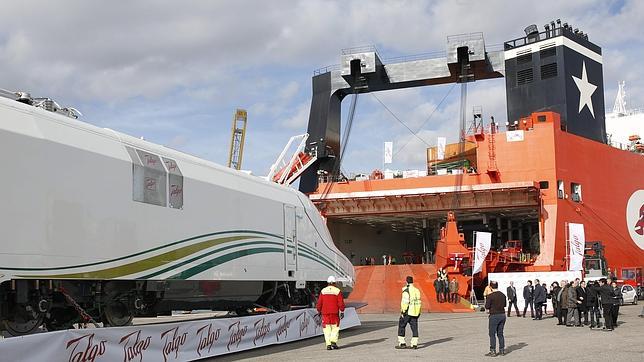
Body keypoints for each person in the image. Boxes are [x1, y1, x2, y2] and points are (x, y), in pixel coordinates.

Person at [316, 276, 346, 350]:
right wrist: (342, 311)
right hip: (334, 313)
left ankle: (328, 344)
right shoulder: (337, 291)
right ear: (335, 283)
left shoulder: (323, 291)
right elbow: (341, 303)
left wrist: (319, 310)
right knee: (335, 328)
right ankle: (333, 342)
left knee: (326, 329)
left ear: (328, 282)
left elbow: (319, 302)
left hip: (325, 313)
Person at [396, 276, 422, 349]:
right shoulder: (417, 290)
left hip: (407, 312)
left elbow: (405, 303)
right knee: (414, 328)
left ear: (406, 282)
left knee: (401, 326)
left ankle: (402, 343)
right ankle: (414, 344)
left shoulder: (406, 291)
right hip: (415, 312)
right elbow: (419, 302)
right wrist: (419, 312)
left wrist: (403, 312)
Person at [484, 281, 507, 357]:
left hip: (494, 316)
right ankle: (502, 350)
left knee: (492, 334)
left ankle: (493, 351)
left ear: (490, 287)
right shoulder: (503, 295)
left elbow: (487, 306)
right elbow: (504, 305)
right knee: (500, 334)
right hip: (502, 315)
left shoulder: (490, 296)